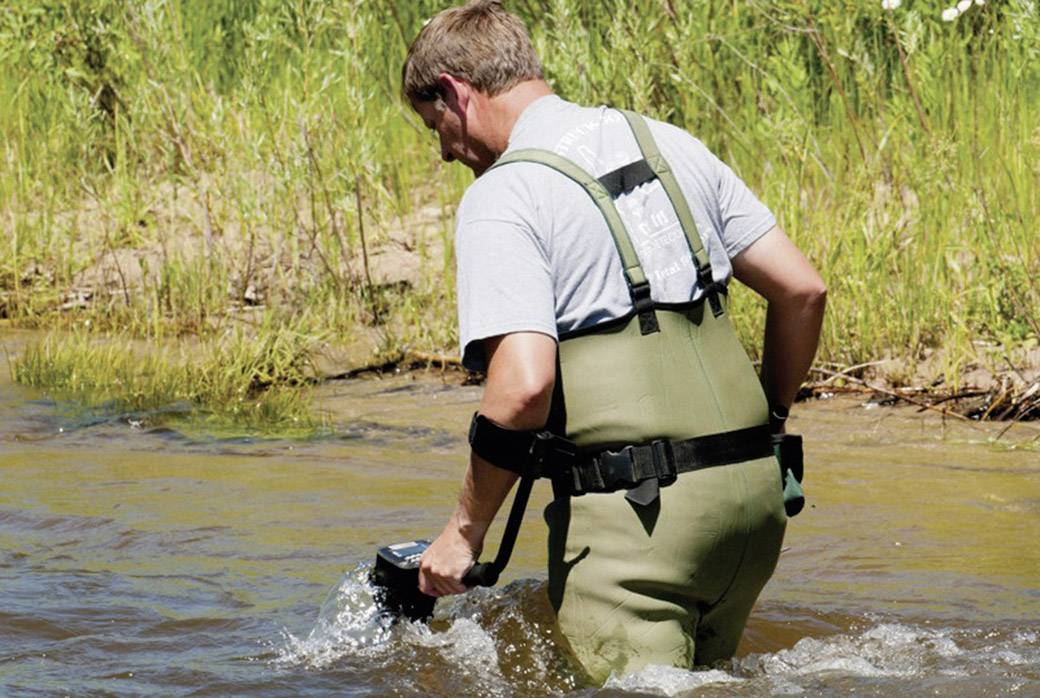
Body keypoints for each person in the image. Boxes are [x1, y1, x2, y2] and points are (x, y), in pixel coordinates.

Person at [403, 0, 826, 682]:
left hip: (641, 522)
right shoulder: (665, 142)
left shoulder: (504, 195)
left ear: (455, 93)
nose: (445, 150)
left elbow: (523, 388)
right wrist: (769, 420)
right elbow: (803, 291)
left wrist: (463, 533)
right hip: (754, 504)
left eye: (436, 127)